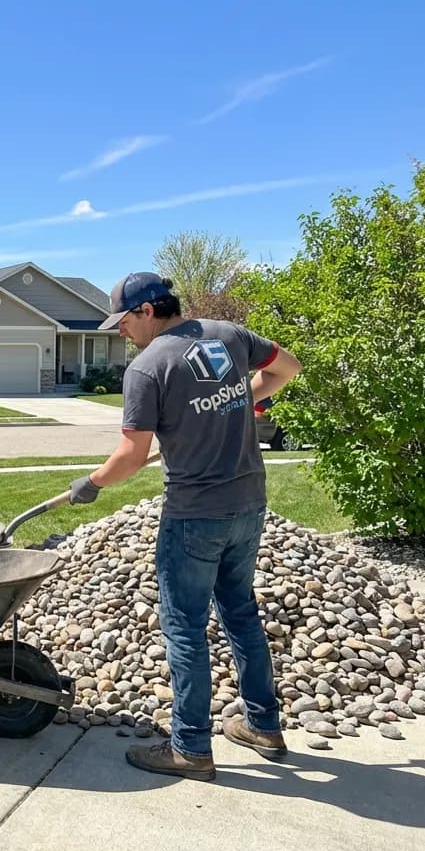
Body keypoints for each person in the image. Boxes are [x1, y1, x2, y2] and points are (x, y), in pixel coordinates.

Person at [69, 272, 302, 781]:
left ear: (148, 310)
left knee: (184, 627)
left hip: (195, 515)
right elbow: (288, 368)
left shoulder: (148, 368)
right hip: (248, 505)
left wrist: (91, 483)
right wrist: (241, 405)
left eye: (125, 321)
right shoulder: (230, 335)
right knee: (240, 611)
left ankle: (190, 748)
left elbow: (132, 455)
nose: (122, 332)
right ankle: (264, 725)